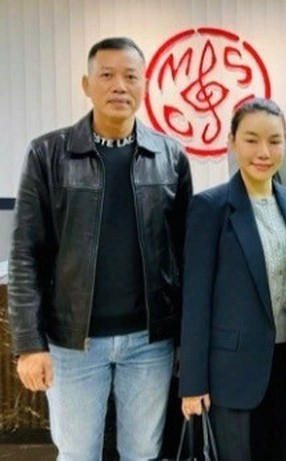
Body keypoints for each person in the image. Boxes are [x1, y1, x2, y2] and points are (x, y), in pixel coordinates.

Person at [7, 37, 192, 460]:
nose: (119, 86)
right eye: (107, 75)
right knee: (77, 454)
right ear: (86, 84)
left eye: (130, 76)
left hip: (150, 342)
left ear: (145, 87)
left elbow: (183, 257)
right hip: (72, 343)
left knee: (143, 454)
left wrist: (185, 340)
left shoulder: (171, 157)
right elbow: (24, 255)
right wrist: (29, 344)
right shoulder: (47, 154)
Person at [178, 98, 286, 460]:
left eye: (274, 140)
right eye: (251, 140)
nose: (263, 152)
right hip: (232, 373)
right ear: (232, 141)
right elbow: (196, 300)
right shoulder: (211, 207)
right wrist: (192, 383)